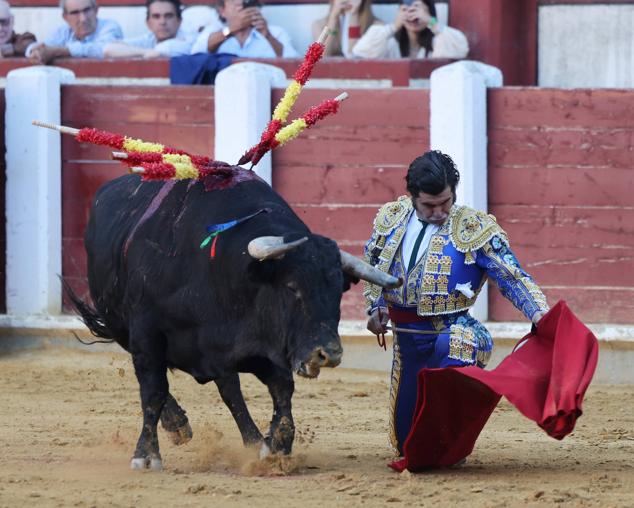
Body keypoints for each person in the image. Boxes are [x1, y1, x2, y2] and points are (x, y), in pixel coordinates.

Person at [363, 150, 549, 454]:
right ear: (412, 196)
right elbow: (372, 267)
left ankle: (454, 438)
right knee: (406, 444)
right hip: (408, 341)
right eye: (429, 205)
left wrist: (540, 313)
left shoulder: (472, 227)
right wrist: (376, 309)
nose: (439, 212)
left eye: (445, 202)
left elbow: (511, 276)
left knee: (452, 345)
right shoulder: (391, 219)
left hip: (455, 331)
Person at [352, 0, 468, 59]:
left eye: (417, 9)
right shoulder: (391, 44)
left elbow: (462, 48)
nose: (412, 15)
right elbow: (360, 51)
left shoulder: (439, 41)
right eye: (406, 10)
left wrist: (430, 21)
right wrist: (394, 26)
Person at [189, 0, 298, 58]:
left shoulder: (275, 32)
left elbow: (294, 62)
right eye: (233, 1)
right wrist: (231, 30)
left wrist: (268, 36)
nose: (240, 4)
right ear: (222, 11)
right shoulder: (212, 32)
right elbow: (195, 55)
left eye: (245, 1)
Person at [27, 0, 122, 65]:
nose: (83, 19)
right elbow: (40, 47)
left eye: (87, 10)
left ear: (96, 10)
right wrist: (35, 52)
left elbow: (104, 49)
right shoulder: (63, 31)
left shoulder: (110, 27)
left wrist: (61, 51)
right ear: (65, 17)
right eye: (75, 13)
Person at [103, 0, 194, 58]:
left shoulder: (189, 40)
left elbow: (160, 52)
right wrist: (146, 52)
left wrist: (139, 52)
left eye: (168, 16)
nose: (162, 22)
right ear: (148, 23)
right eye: (156, 16)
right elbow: (108, 49)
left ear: (179, 21)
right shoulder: (149, 39)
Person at [311, 0, 383, 58]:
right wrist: (333, 18)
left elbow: (354, 56)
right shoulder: (319, 25)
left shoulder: (377, 26)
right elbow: (322, 56)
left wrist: (354, 15)